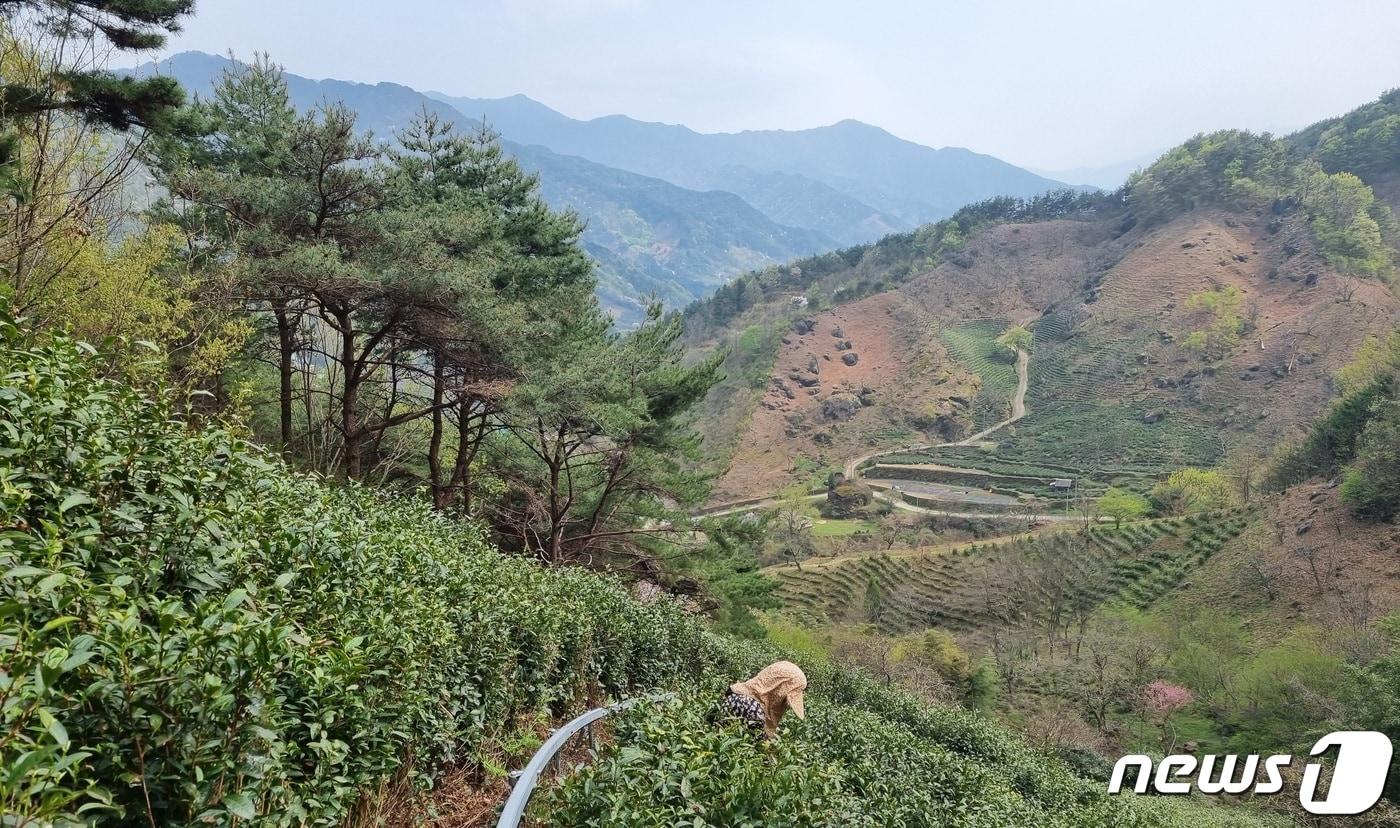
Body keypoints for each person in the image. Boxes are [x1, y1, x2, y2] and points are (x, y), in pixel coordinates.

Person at [721, 660, 808, 737]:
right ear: (779, 692)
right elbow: (758, 748)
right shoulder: (754, 713)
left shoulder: (738, 693)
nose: (785, 704)